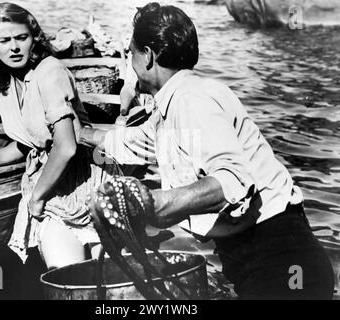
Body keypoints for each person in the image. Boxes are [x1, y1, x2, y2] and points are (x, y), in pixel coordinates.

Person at [78, 2, 334, 299]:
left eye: (130, 53)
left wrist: (152, 204)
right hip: (256, 260)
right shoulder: (171, 106)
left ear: (147, 56)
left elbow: (232, 181)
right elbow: (136, 143)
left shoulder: (191, 99)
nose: (128, 62)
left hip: (281, 261)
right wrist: (82, 134)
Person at [0, 3, 120, 269]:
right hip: (53, 185)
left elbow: (66, 146)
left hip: (87, 183)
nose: (14, 47)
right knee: (66, 278)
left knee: (106, 280)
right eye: (4, 40)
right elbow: (29, 143)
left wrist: (37, 197)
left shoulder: (49, 71)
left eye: (22, 38)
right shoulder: (1, 84)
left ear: (34, 38)